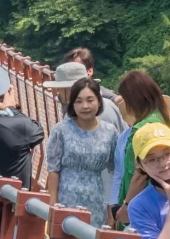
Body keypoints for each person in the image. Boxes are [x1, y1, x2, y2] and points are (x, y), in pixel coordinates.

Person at [45, 75, 125, 221]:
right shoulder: (61, 130)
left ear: (99, 102)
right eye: (79, 101)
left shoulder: (110, 131)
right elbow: (53, 169)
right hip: (66, 201)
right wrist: (53, 202)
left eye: (90, 100)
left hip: (96, 201)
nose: (85, 106)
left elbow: (116, 171)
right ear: (72, 105)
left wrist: (113, 206)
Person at [112, 69, 170, 209]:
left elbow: (138, 175)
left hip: (143, 202)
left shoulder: (142, 129)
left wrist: (125, 207)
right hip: (165, 196)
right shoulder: (165, 120)